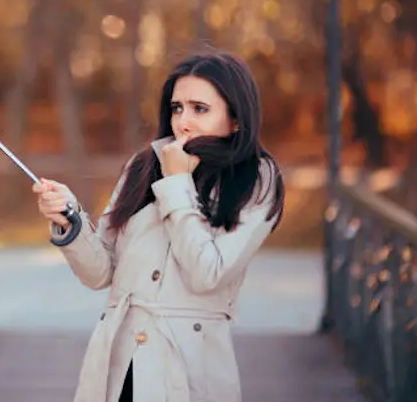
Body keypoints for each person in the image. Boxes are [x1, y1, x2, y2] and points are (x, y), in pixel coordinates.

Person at [32, 50, 286, 402]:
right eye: (177, 107)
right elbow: (100, 273)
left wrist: (177, 183)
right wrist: (70, 219)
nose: (183, 121)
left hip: (188, 368)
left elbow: (207, 273)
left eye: (200, 109)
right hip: (118, 363)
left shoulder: (255, 178)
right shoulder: (143, 165)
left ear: (236, 118)